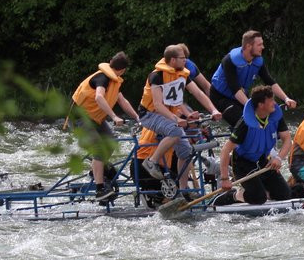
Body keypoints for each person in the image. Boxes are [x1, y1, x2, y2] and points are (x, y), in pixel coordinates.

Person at [138, 45, 222, 182]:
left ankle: (183, 191)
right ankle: (151, 162)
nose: (186, 61)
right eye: (182, 58)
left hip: (168, 115)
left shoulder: (182, 74)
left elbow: (198, 93)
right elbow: (158, 105)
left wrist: (213, 110)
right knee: (176, 131)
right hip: (149, 115)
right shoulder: (156, 76)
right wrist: (176, 118)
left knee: (186, 152)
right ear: (172, 60)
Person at [69, 52, 141, 202]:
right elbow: (99, 97)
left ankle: (95, 171)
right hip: (79, 119)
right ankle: (100, 189)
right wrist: (114, 117)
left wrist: (137, 117)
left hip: (94, 119)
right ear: (122, 70)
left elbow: (122, 101)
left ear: (111, 62)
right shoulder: (102, 78)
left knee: (111, 141)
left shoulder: (113, 81)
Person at [218, 86, 293, 205]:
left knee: (284, 194)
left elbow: (288, 139)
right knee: (258, 198)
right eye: (271, 101)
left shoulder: (275, 117)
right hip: (243, 164)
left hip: (263, 161)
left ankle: (262, 190)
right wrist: (225, 178)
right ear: (261, 105)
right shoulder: (245, 124)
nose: (275, 103)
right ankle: (234, 195)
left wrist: (278, 158)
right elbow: (225, 150)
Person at [208, 30, 297, 125]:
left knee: (268, 118)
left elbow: (269, 81)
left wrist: (286, 98)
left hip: (240, 95)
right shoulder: (229, 61)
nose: (263, 47)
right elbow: (235, 89)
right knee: (246, 123)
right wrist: (253, 108)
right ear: (248, 46)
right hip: (220, 97)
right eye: (259, 45)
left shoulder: (258, 61)